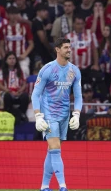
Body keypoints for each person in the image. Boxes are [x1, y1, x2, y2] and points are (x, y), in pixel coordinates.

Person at [31, 37, 83, 191]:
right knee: (55, 147)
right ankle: (63, 186)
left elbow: (78, 96)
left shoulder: (74, 71)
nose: (69, 50)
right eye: (66, 47)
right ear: (57, 50)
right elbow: (35, 95)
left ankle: (44, 186)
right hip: (49, 114)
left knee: (53, 150)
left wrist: (77, 114)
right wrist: (39, 116)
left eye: (70, 47)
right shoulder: (47, 69)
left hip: (64, 115)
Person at [0, 52, 29, 120]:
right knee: (7, 96)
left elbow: (24, 84)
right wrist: (9, 91)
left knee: (25, 96)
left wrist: (20, 91)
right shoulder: (1, 71)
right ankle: (8, 113)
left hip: (18, 92)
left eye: (13, 58)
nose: (12, 60)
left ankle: (21, 114)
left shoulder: (20, 70)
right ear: (6, 60)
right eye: (10, 58)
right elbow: (0, 85)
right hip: (6, 92)